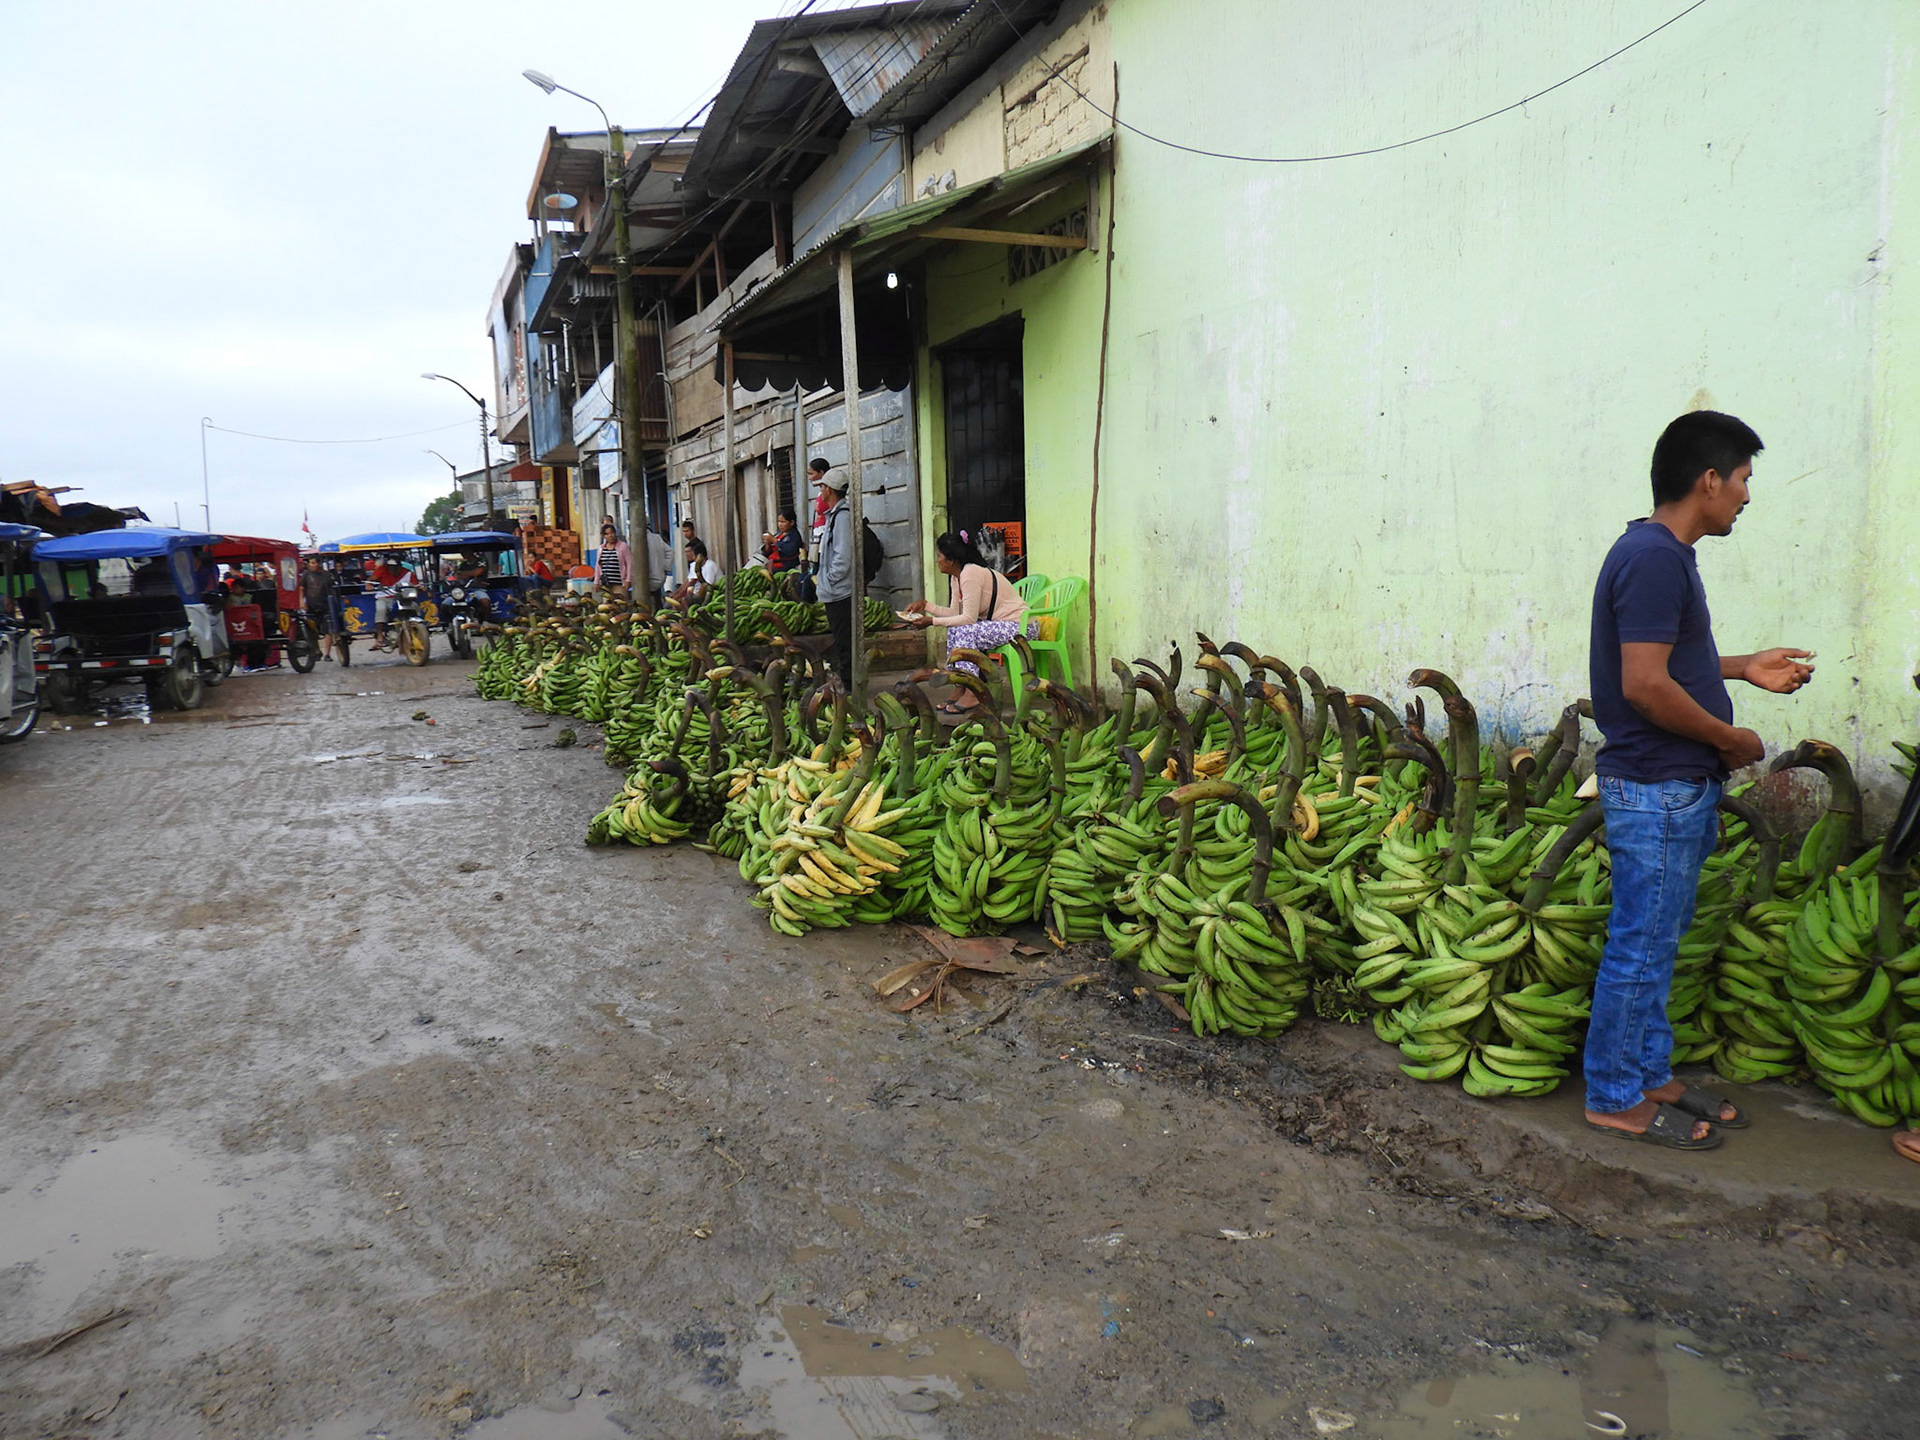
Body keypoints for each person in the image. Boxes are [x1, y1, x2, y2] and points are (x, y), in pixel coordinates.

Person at [1584, 411, 1814, 1151]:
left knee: (1656, 943)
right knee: (1640, 947)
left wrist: (1743, 667)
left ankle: (1648, 1073)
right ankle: (1614, 1095)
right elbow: (1646, 686)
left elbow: (1666, 661)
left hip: (1667, 788)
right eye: (1743, 478)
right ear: (1708, 480)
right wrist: (1731, 740)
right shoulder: (1653, 557)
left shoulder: (1662, 555)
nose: (1748, 495)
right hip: (1655, 788)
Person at [905, 530, 1029, 716]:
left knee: (966, 630)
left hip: (1018, 626)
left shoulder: (970, 573)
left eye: (939, 556)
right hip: (998, 625)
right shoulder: (957, 577)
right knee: (955, 629)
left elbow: (969, 619)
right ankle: (960, 685)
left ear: (952, 560)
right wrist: (926, 606)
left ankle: (973, 689)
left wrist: (931, 621)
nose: (937, 560)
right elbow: (956, 614)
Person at [814, 472, 854, 686]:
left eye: (822, 487)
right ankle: (845, 679)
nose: (821, 491)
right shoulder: (834, 515)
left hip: (840, 591)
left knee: (844, 641)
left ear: (829, 489)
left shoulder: (842, 516)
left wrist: (830, 579)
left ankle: (848, 685)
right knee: (840, 639)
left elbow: (843, 555)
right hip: (833, 590)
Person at [365, 553, 411, 650]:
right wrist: (369, 584)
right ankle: (380, 637)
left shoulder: (407, 572)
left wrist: (421, 587)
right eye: (391, 567)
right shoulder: (382, 570)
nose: (393, 570)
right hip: (384, 596)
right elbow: (372, 579)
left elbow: (416, 583)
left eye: (395, 567)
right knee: (381, 610)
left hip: (402, 597)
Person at [300, 555, 338, 662]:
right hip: (311, 605)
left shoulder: (326, 575)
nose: (313, 565)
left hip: (325, 605)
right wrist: (301, 601)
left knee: (328, 630)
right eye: (311, 563)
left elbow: (332, 589)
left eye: (315, 563)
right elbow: (301, 589)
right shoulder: (306, 574)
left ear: (319, 563)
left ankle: (327, 654)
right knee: (312, 630)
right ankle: (317, 650)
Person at [672, 539, 720, 605]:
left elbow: (707, 587)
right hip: (696, 592)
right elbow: (688, 581)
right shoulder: (696, 565)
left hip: (710, 594)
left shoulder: (710, 566)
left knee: (684, 600)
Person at [762, 509, 802, 575]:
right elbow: (766, 553)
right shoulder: (778, 534)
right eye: (779, 521)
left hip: (784, 567)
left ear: (791, 522)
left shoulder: (794, 535)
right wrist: (767, 543)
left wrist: (774, 540)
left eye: (783, 522)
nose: (780, 524)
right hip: (771, 565)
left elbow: (790, 551)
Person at [595, 521, 631, 593]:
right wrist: (596, 581)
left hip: (620, 584)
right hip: (606, 585)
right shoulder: (601, 548)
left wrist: (628, 580)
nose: (610, 536)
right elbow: (598, 566)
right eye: (607, 534)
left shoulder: (623, 546)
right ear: (604, 536)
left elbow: (630, 563)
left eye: (612, 533)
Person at [644, 525, 671, 610]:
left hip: (649, 579)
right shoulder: (657, 538)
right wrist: (665, 568)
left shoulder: (652, 538)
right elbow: (670, 552)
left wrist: (665, 567)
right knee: (657, 601)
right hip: (658, 576)